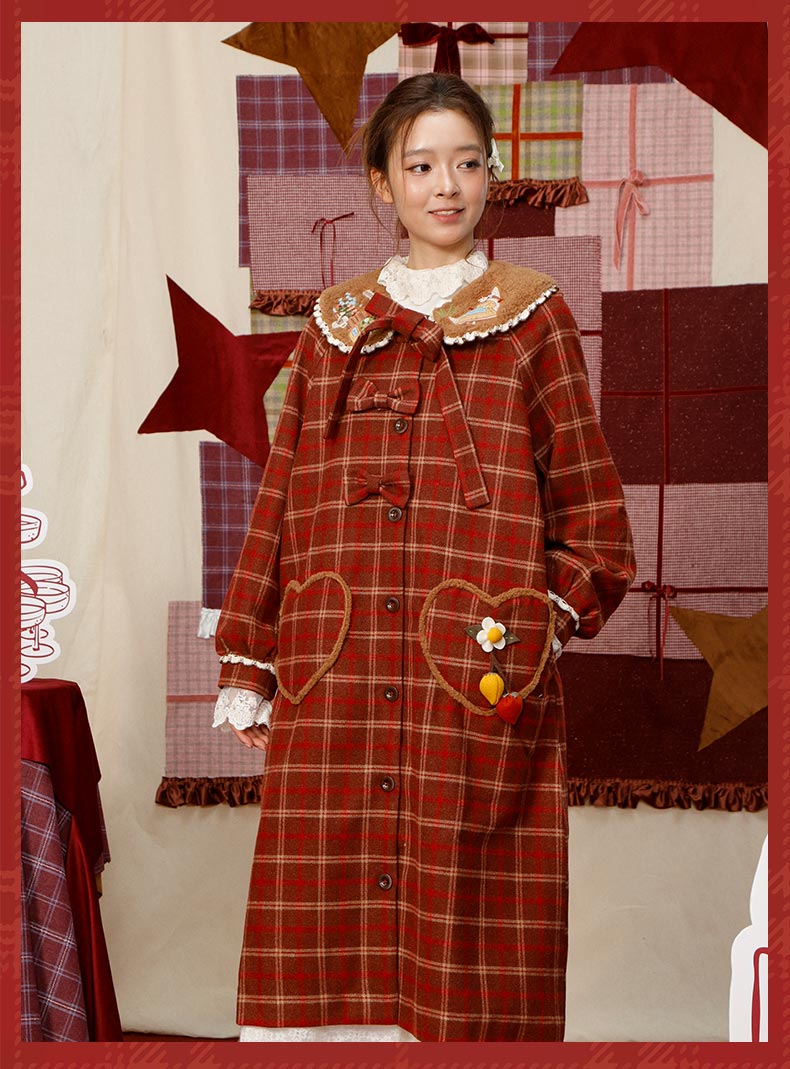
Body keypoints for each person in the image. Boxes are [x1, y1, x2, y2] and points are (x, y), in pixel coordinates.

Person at [213, 72, 636, 1043]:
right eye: (421, 165)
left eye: (466, 163)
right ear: (382, 182)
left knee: (468, 958)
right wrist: (250, 656)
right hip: (337, 678)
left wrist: (533, 630)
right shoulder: (332, 326)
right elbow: (281, 498)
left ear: (490, 175)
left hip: (472, 681)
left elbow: (597, 525)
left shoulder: (533, 318)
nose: (446, 185)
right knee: (322, 941)